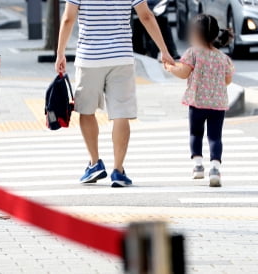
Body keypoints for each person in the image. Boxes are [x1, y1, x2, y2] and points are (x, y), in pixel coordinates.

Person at [55, 0, 175, 187]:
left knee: (86, 110)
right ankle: (118, 171)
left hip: (89, 57)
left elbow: (68, 19)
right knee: (121, 114)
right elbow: (146, 15)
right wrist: (164, 50)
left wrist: (60, 52)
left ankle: (95, 163)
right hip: (121, 57)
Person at [164, 14, 234, 187]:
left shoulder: (193, 52)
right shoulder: (223, 58)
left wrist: (170, 67)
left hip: (197, 102)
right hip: (218, 104)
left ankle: (198, 166)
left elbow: (183, 72)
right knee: (215, 137)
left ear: (196, 34)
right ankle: (215, 169)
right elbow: (227, 80)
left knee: (196, 133)